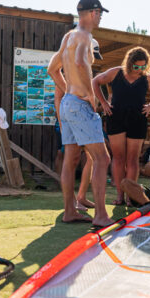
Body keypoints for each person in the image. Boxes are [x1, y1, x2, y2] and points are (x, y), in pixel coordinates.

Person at [47, 0, 112, 227]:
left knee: (71, 159)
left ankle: (69, 211)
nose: (101, 17)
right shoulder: (85, 36)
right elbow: (80, 62)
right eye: (100, 13)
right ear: (93, 13)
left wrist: (70, 92)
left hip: (68, 103)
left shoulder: (68, 36)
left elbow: (52, 69)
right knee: (102, 158)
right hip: (78, 103)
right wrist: (89, 94)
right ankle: (101, 215)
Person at [93, 46, 150, 205]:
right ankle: (119, 195)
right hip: (115, 116)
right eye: (136, 66)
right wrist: (103, 103)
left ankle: (130, 196)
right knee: (118, 157)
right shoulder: (116, 72)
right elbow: (96, 81)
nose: (139, 69)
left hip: (137, 118)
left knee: (132, 159)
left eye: (143, 66)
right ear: (129, 63)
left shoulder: (147, 78)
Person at [54, 38, 104, 212]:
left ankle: (79, 199)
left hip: (71, 112)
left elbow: (53, 72)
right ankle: (85, 207)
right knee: (99, 158)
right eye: (93, 54)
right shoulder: (74, 68)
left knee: (86, 158)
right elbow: (58, 97)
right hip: (75, 113)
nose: (94, 58)